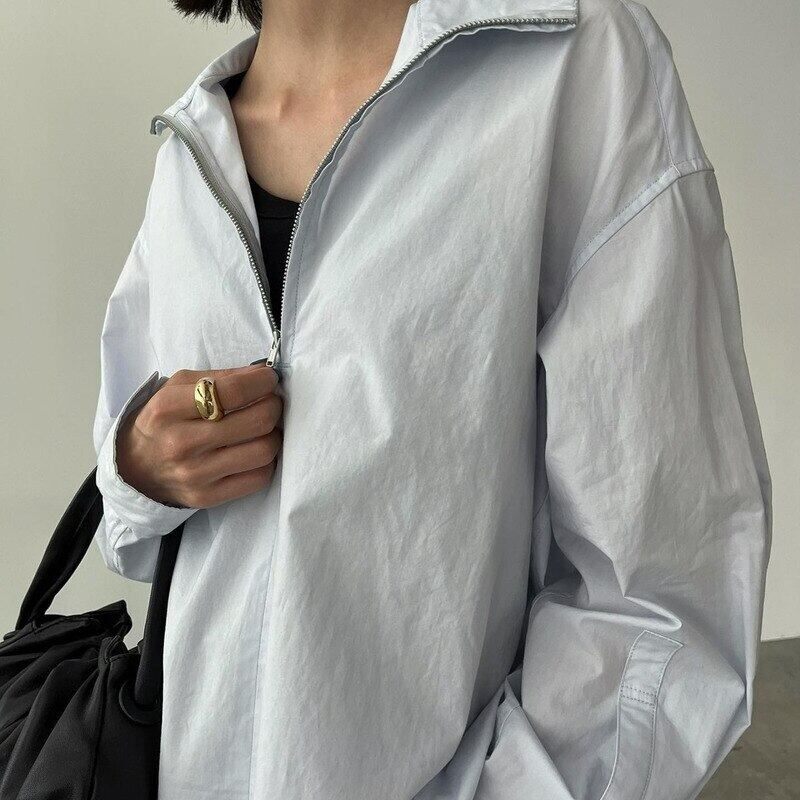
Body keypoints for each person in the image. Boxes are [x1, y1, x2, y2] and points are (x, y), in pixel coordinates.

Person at [92, 0, 772, 797]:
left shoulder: (570, 62)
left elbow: (664, 590)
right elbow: (128, 536)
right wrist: (140, 468)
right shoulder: (191, 147)